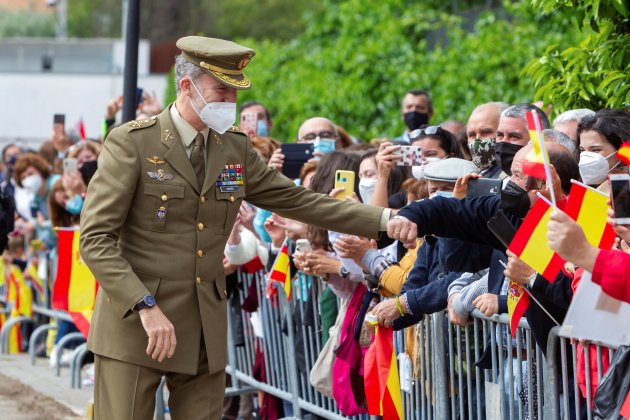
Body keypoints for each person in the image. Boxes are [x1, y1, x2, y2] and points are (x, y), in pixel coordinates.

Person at [79, 36, 391, 420]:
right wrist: (144, 304)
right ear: (187, 87)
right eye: (221, 90)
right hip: (135, 322)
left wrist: (384, 220)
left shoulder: (234, 148)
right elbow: (95, 240)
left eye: (235, 92)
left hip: (203, 328)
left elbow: (301, 201)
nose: (230, 101)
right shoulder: (133, 143)